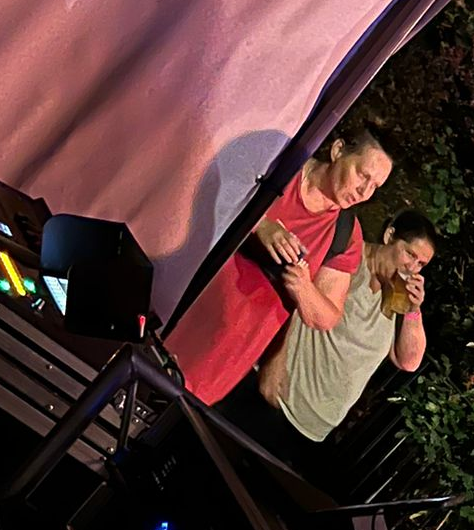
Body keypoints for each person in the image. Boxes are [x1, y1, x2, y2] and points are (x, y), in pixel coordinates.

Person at [166, 128, 394, 405]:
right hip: (187, 301)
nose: (364, 192)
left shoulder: (345, 233)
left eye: (375, 187)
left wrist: (303, 288)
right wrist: (260, 224)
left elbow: (326, 317)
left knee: (162, 409)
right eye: (363, 175)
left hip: (226, 350)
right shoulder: (282, 166)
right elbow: (207, 187)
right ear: (338, 151)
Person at [228, 208, 439, 462]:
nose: (412, 267)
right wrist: (272, 363)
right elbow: (294, 294)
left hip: (314, 430)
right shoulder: (349, 260)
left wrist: (414, 309)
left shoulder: (395, 298)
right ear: (389, 235)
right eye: (410, 254)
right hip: (276, 399)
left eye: (421, 264)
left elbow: (409, 361)